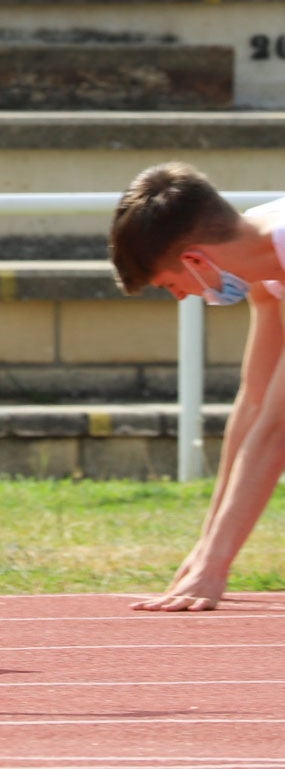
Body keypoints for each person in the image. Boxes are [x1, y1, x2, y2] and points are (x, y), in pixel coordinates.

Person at [109, 161, 285, 611]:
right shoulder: (265, 266)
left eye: (171, 285)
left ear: (195, 260)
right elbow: (256, 403)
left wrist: (216, 567)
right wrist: (206, 549)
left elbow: (277, 430)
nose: (182, 297)